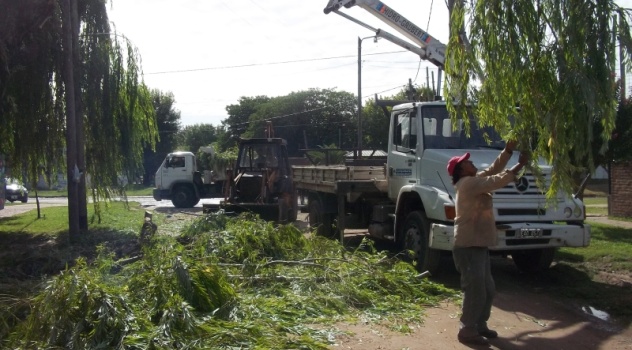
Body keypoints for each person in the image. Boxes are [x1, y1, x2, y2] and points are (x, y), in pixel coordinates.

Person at [447, 140, 529, 346]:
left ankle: (479, 324)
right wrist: (519, 165)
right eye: (467, 162)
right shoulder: (468, 184)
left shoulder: (472, 180)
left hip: (478, 243)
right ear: (460, 170)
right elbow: (497, 180)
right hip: (468, 245)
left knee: (487, 288)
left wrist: (508, 151)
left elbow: (494, 170)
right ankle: (467, 329)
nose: (471, 162)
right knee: (475, 288)